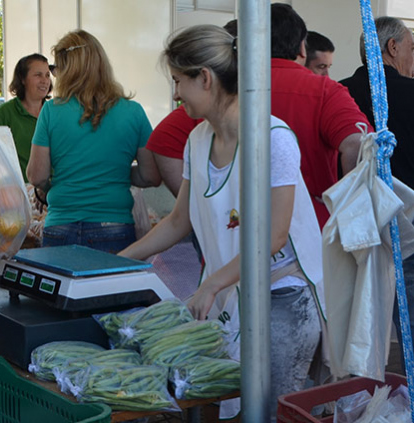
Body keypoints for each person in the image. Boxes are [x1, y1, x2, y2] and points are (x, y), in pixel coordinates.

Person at [120, 24, 325, 421]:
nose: (176, 92)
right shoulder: (198, 140)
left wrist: (212, 283)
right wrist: (117, 262)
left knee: (269, 413)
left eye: (179, 81)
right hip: (227, 296)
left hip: (280, 301)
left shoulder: (272, 137)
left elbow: (274, 233)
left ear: (206, 78)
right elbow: (179, 220)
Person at [146, 4, 367, 230]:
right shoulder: (324, 91)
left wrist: (201, 210)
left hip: (234, 230)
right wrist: (347, 206)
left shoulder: (221, 90)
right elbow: (359, 144)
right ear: (303, 48)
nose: (176, 95)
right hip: (312, 228)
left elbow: (164, 141)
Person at [26, 30, 160, 253]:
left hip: (61, 225)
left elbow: (36, 175)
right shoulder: (133, 112)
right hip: (114, 226)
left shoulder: (51, 110)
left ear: (68, 70)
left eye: (56, 68)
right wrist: (114, 172)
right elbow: (151, 176)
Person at [339, 15, 414, 380]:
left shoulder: (339, 93)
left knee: (351, 326)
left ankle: (354, 394)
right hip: (407, 230)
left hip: (352, 229)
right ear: (393, 48)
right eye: (412, 48)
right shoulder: (411, 94)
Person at [0, 53, 53, 181]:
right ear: (22, 79)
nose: (45, 81)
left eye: (47, 75)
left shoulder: (56, 112)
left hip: (54, 192)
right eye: (38, 75)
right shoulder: (3, 114)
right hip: (16, 192)